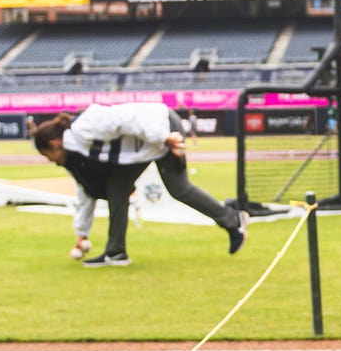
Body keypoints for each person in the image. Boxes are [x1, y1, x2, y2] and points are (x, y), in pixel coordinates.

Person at [28, 103, 248, 267]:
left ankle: (233, 220)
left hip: (162, 127)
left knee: (178, 188)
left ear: (54, 144)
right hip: (145, 147)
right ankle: (116, 252)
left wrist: (163, 137)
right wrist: (81, 233)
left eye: (47, 154)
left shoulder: (84, 127)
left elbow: (125, 119)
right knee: (117, 186)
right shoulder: (75, 156)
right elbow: (85, 192)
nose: (49, 161)